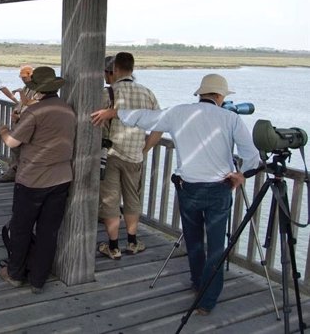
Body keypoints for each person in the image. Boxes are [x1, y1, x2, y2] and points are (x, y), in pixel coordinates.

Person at [91, 73, 261, 314]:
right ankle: (207, 300)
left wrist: (113, 113)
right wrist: (241, 175)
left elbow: (145, 119)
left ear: (200, 94)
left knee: (192, 241)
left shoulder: (179, 112)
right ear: (220, 96)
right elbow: (251, 154)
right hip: (218, 189)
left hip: (188, 187)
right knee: (216, 247)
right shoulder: (230, 119)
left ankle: (196, 281)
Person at [0, 66, 76, 294]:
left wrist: (4, 129)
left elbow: (12, 142)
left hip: (32, 179)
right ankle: (38, 279)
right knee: (48, 231)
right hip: (61, 179)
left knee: (21, 228)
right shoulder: (68, 110)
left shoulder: (34, 113)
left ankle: (15, 274)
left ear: (36, 91)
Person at [92, 52, 162, 260]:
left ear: (115, 70)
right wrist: (145, 148)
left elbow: (94, 121)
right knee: (133, 199)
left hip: (110, 155)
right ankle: (132, 242)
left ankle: (113, 246)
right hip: (135, 156)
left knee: (110, 200)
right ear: (132, 68)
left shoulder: (108, 94)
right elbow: (159, 126)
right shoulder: (147, 93)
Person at [0, 65, 37, 183]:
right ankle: (15, 170)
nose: (23, 79)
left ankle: (15, 171)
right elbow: (22, 104)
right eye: (22, 77)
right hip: (19, 121)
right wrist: (16, 113)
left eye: (25, 77)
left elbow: (30, 104)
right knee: (15, 148)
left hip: (27, 122)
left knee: (16, 146)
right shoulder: (26, 88)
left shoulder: (37, 89)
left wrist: (20, 93)